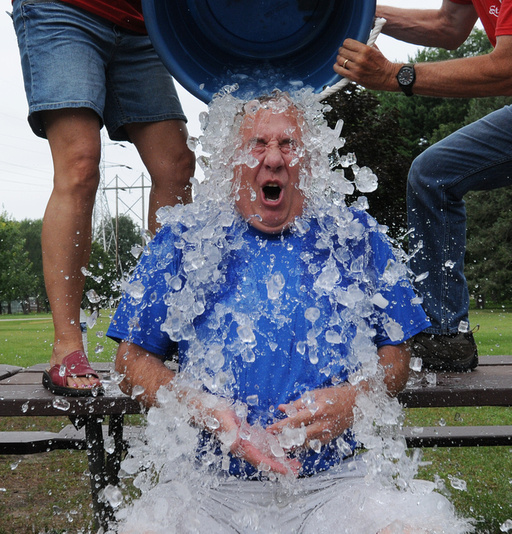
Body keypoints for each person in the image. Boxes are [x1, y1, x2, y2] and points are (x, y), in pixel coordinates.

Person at [106, 91, 472, 533]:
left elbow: (395, 359)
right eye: (258, 144)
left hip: (335, 485)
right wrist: (201, 406)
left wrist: (355, 399)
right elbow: (129, 364)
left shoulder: (355, 236)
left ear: (311, 160)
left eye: (290, 144)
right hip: (207, 487)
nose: (274, 159)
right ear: (231, 159)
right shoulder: (185, 240)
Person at [11, 0, 195, 396]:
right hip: (60, 2)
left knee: (176, 166)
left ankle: (155, 338)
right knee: (80, 163)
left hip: (140, 20)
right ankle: (67, 346)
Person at [333, 0, 512, 372]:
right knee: (432, 174)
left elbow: (508, 65)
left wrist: (397, 75)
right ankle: (445, 333)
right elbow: (449, 28)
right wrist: (352, 10)